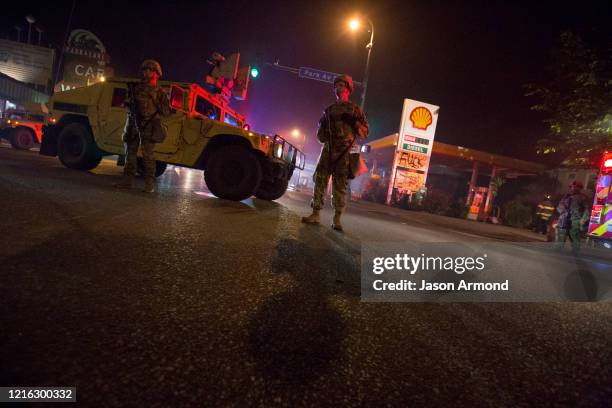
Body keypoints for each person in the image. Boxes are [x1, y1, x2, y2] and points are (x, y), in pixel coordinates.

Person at [301, 74, 369, 231]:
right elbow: (320, 138)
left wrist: (354, 122)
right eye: (336, 85)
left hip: (344, 152)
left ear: (348, 88)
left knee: (340, 185)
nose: (337, 88)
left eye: (341, 85)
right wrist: (322, 125)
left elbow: (365, 132)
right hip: (328, 149)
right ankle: (315, 213)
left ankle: (337, 219)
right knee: (320, 180)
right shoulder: (329, 110)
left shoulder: (355, 110)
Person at [115, 59, 170, 193]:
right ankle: (127, 181)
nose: (146, 72)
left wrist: (154, 109)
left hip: (149, 125)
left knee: (148, 155)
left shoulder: (160, 92)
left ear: (157, 73)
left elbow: (166, 111)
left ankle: (149, 184)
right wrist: (128, 103)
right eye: (145, 70)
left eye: (149, 70)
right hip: (134, 123)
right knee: (130, 153)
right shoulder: (136, 88)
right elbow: (126, 104)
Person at [555, 180, 589, 251]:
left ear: (580, 188)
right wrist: (563, 212)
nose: (574, 188)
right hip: (563, 220)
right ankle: (557, 253)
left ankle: (575, 256)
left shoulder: (583, 197)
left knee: (575, 239)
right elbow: (559, 207)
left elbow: (587, 210)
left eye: (576, 187)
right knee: (560, 238)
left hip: (575, 221)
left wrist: (583, 220)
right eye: (573, 186)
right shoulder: (566, 196)